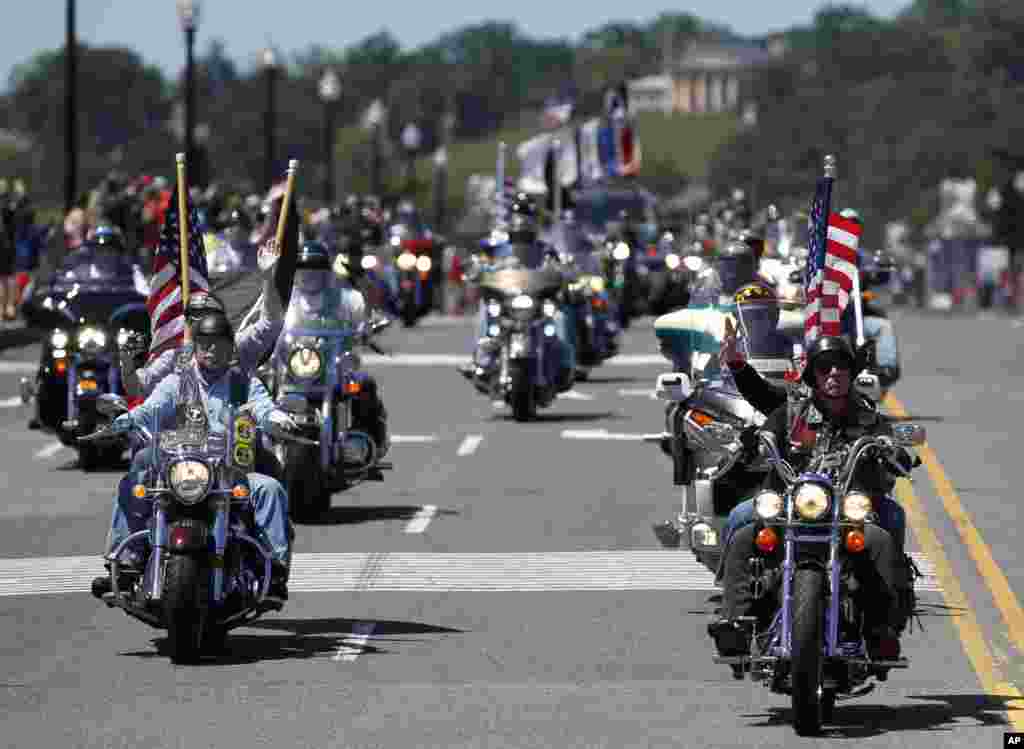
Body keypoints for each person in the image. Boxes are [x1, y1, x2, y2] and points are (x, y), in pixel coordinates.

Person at [709, 335, 915, 663]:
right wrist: (737, 367)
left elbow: (896, 449)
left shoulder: (868, 418)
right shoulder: (791, 412)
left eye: (841, 366)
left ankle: (882, 629)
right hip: (789, 505)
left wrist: (896, 453)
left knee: (882, 534)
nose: (833, 373)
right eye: (824, 367)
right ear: (813, 374)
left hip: (847, 511)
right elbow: (760, 396)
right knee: (741, 525)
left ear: (852, 372)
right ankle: (736, 621)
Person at [92, 309, 297, 602]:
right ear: (195, 347)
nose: (211, 350)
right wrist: (126, 420)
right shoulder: (176, 382)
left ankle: (273, 572)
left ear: (231, 348)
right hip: (180, 468)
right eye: (205, 343)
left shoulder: (244, 384)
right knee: (133, 484)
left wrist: (277, 418)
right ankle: (126, 564)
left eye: (218, 343)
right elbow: (152, 408)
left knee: (270, 489)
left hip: (229, 472)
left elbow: (263, 408)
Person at [460, 193, 576, 393]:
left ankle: (564, 364)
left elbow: (558, 268)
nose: (522, 221)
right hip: (508, 298)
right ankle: (480, 359)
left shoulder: (545, 248)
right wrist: (479, 270)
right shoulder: (496, 246)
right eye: (518, 215)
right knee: (487, 311)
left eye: (527, 215)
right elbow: (481, 262)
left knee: (559, 317)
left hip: (533, 298)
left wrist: (562, 273)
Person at [283, 240, 389, 457]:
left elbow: (364, 318)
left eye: (316, 270)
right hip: (295, 370)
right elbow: (268, 322)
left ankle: (369, 444)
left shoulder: (346, 298)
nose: (309, 275)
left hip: (335, 368)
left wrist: (367, 327)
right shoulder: (285, 300)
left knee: (363, 386)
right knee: (258, 388)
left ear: (325, 272)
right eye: (304, 270)